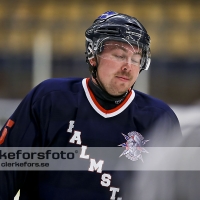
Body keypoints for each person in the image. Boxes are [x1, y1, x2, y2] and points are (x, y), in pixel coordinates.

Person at [0, 11, 182, 200]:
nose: (128, 66)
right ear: (93, 55)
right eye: (119, 55)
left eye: (136, 58)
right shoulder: (50, 100)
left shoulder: (160, 120)